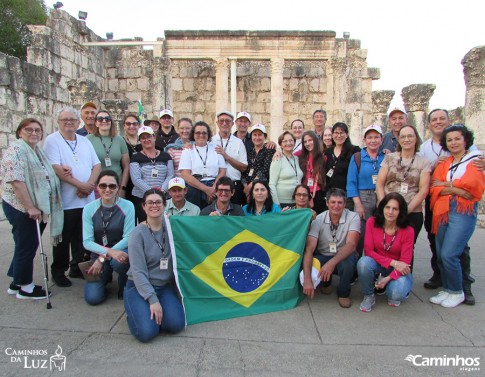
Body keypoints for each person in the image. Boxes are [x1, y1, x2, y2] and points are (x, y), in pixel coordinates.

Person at [420, 109, 483, 305]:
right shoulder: (442, 160)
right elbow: (434, 186)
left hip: (462, 210)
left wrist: (446, 187)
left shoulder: (475, 158)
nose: (454, 143)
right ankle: (447, 288)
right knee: (440, 250)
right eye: (450, 140)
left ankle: (460, 289)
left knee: (452, 251)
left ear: (465, 140)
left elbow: (473, 187)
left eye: (458, 139)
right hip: (440, 209)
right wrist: (457, 188)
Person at [1, 118, 63, 299]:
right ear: (20, 132)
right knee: (27, 246)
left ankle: (16, 281)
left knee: (26, 244)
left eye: (37, 130)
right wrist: (30, 207)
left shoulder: (36, 151)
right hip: (22, 207)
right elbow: (17, 182)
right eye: (29, 129)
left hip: (36, 206)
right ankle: (25, 288)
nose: (34, 133)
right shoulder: (16, 150)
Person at [44, 106, 101, 287]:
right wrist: (81, 185)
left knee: (82, 237)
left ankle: (76, 267)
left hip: (86, 199)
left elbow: (97, 165)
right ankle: (58, 271)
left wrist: (89, 186)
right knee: (63, 238)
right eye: (64, 120)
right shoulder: (52, 141)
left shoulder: (84, 141)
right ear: (58, 122)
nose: (69, 122)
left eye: (72, 120)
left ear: (79, 122)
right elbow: (55, 168)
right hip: (66, 200)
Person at [124, 189, 185, 342]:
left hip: (164, 286)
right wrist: (153, 300)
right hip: (139, 286)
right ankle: (135, 312)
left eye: (158, 202)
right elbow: (137, 272)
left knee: (176, 325)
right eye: (149, 202)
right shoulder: (137, 234)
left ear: (164, 205)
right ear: (143, 207)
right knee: (146, 333)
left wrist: (214, 218)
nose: (154, 205)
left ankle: (152, 315)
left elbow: (197, 231)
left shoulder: (172, 227)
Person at [82, 170, 135, 305]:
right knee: (93, 298)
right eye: (103, 185)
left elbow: (128, 237)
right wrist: (105, 254)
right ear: (97, 187)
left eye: (112, 186)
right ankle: (105, 277)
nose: (107, 189)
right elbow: (87, 242)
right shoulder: (89, 208)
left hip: (121, 251)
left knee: (119, 261)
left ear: (118, 187)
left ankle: (125, 282)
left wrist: (103, 257)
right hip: (99, 254)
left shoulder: (128, 206)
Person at [302, 188, 360, 308]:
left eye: (340, 203)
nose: (336, 206)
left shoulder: (353, 217)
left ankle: (343, 293)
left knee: (347, 263)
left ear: (344, 204)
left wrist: (331, 263)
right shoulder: (318, 219)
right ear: (327, 203)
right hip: (323, 255)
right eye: (333, 202)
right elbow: (309, 249)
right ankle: (326, 282)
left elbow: (351, 245)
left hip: (343, 255)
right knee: (305, 274)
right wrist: (307, 279)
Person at [357, 192, 414, 312]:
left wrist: (388, 278)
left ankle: (393, 286)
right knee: (363, 263)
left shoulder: (408, 231)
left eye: (395, 209)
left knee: (396, 294)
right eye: (387, 207)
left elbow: (405, 263)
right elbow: (369, 252)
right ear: (382, 208)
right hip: (381, 264)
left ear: (400, 211)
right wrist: (393, 262)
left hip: (398, 270)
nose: (390, 212)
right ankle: (369, 295)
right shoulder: (372, 222)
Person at [376, 125, 431, 244]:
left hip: (411, 212)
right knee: (384, 246)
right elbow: (380, 184)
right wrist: (384, 206)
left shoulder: (423, 162)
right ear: (399, 139)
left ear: (416, 138)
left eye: (410, 136)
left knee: (406, 248)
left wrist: (404, 212)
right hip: (387, 212)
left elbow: (423, 190)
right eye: (403, 136)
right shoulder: (389, 158)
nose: (406, 139)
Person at [347, 124, 385, 254]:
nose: (373, 140)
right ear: (365, 140)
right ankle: (357, 267)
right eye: (369, 137)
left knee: (381, 232)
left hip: (382, 196)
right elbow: (351, 182)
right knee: (360, 233)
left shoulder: (386, 157)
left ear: (382, 140)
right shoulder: (357, 157)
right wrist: (358, 204)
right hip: (363, 197)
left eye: (376, 137)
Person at [130, 126, 174, 223]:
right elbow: (136, 179)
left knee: (163, 223)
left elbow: (170, 175)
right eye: (143, 138)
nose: (146, 140)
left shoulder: (166, 156)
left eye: (148, 136)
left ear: (154, 137)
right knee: (145, 224)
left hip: (162, 196)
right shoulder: (135, 157)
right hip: (141, 197)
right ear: (140, 140)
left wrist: (162, 190)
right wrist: (151, 193)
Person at [179, 121, 226, 209]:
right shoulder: (187, 151)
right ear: (193, 134)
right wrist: (205, 189)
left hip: (214, 186)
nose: (201, 135)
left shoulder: (215, 148)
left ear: (208, 135)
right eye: (198, 133)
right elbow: (185, 174)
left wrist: (213, 189)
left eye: (204, 133)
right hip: (195, 187)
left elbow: (222, 171)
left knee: (213, 217)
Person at [87, 110, 129, 198]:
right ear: (96, 123)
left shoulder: (120, 140)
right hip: (97, 186)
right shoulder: (88, 140)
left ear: (111, 122)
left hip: (116, 186)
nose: (104, 121)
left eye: (107, 119)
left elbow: (126, 166)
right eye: (100, 119)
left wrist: (122, 188)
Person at [212, 111, 248, 205]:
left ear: (232, 124)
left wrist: (226, 157)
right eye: (221, 121)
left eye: (227, 121)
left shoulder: (238, 142)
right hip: (216, 186)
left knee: (234, 216)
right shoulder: (211, 141)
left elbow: (244, 167)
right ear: (217, 123)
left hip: (234, 186)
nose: (224, 123)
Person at [324, 122, 361, 209]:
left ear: (347, 135)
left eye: (342, 133)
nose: (339, 136)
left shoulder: (355, 151)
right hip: (331, 195)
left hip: (347, 196)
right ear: (332, 135)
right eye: (336, 133)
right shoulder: (327, 152)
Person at [269, 131, 303, 207]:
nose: (288, 143)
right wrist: (277, 205)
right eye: (285, 141)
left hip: (297, 201)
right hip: (282, 202)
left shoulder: (297, 159)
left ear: (294, 142)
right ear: (280, 144)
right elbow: (272, 184)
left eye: (291, 140)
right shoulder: (277, 159)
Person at [242, 124, 276, 202]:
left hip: (261, 190)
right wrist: (246, 188)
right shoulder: (248, 151)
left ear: (265, 136)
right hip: (246, 190)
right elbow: (243, 170)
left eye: (260, 135)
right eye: (255, 135)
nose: (257, 138)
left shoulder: (269, 150)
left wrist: (250, 187)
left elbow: (265, 171)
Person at [297, 130, 326, 214]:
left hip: (318, 193)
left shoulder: (323, 157)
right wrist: (278, 152)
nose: (307, 143)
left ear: (315, 140)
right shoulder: (300, 155)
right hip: (304, 193)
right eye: (305, 141)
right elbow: (287, 153)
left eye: (310, 140)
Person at [122, 114, 141, 204]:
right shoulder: (120, 142)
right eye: (128, 124)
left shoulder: (145, 141)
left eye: (134, 124)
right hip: (126, 181)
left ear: (139, 126)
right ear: (124, 126)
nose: (131, 126)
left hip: (141, 182)